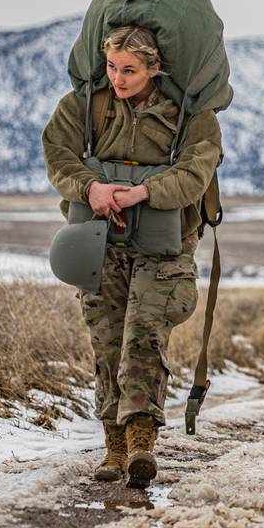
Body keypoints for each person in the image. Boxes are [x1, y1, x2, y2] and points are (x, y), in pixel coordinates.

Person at [42, 26, 223, 487]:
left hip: (166, 245)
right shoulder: (85, 106)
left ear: (154, 68)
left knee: (142, 338)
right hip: (101, 242)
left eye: (130, 70)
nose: (118, 79)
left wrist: (145, 191)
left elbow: (196, 171)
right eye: (111, 68)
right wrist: (92, 187)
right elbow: (57, 154)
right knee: (106, 340)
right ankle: (113, 448)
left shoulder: (190, 116)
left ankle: (142, 444)